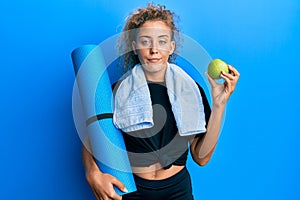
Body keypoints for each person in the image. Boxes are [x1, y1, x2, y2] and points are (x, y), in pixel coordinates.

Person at [82, 3, 240, 200]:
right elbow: (92, 140)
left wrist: (219, 105)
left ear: (171, 46)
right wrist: (93, 174)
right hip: (131, 190)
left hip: (177, 191)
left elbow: (201, 157)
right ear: (134, 46)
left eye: (162, 41)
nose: (154, 50)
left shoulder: (191, 90)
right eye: (146, 41)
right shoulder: (117, 91)